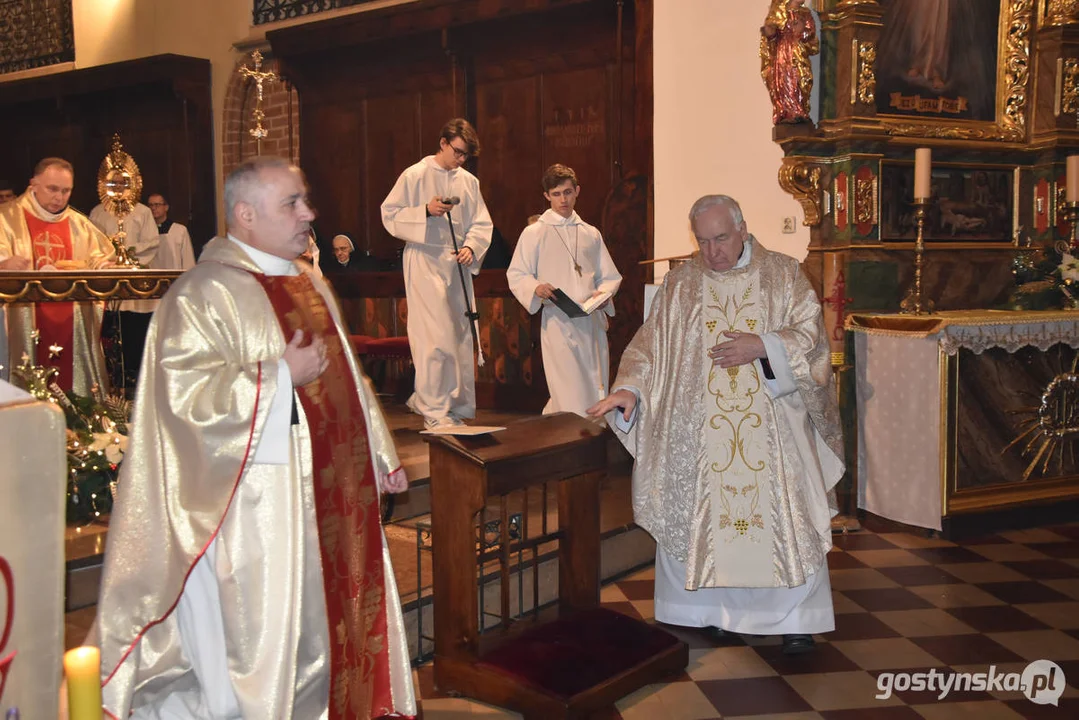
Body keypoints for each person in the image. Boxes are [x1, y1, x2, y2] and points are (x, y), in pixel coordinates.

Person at [92, 156, 417, 718]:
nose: (309, 213)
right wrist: (277, 379)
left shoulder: (309, 279)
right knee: (277, 632)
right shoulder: (200, 293)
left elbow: (348, 377)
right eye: (292, 202)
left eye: (304, 200)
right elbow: (180, 406)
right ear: (245, 214)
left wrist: (382, 452)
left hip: (336, 491)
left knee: (329, 618)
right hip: (259, 509)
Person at [588, 195, 843, 655]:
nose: (712, 252)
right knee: (699, 512)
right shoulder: (682, 284)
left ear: (743, 228)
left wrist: (765, 345)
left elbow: (811, 339)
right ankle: (711, 614)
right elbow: (650, 348)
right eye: (703, 242)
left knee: (786, 515)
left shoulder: (782, 275)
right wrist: (631, 390)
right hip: (699, 434)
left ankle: (794, 620)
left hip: (773, 430)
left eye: (721, 238)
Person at [381, 117, 493, 428]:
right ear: (442, 143)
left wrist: (471, 246)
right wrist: (424, 212)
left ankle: (453, 406)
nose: (460, 159)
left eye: (465, 155)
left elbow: (482, 223)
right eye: (457, 152)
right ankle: (434, 409)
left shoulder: (468, 182)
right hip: (425, 260)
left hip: (456, 265)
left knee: (457, 337)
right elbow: (389, 215)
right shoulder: (414, 175)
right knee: (434, 338)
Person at [507, 164, 621, 416]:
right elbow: (516, 273)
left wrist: (603, 296)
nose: (563, 199)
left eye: (568, 192)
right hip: (559, 320)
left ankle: (593, 434)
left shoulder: (590, 233)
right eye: (557, 194)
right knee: (568, 388)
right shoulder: (534, 233)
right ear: (547, 196)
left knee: (595, 382)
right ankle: (570, 436)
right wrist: (536, 287)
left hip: (590, 321)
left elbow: (610, 277)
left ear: (577, 191)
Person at [0, 157, 115, 394]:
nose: (59, 197)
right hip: (22, 319)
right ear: (33, 184)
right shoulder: (6, 218)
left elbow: (99, 257)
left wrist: (105, 267)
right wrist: (3, 263)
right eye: (52, 189)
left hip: (71, 321)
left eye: (66, 191)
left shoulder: (79, 224)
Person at [90, 197, 161, 392]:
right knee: (110, 333)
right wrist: (110, 255)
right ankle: (111, 381)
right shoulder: (98, 212)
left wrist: (128, 254)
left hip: (134, 285)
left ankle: (134, 380)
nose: (119, 188)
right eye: (114, 182)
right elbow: (91, 245)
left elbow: (152, 242)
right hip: (108, 283)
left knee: (135, 334)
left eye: (123, 182)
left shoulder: (142, 211)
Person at [760, 0, 818, 124]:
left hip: (798, 53)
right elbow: (772, 38)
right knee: (784, 80)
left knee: (800, 78)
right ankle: (786, 111)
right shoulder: (779, 12)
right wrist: (770, 33)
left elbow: (811, 35)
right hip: (782, 53)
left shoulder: (805, 14)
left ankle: (799, 109)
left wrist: (802, 32)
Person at [147, 192, 196, 270]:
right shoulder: (145, 232)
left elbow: (188, 260)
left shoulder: (179, 230)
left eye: (157, 205)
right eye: (151, 205)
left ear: (166, 207)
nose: (153, 208)